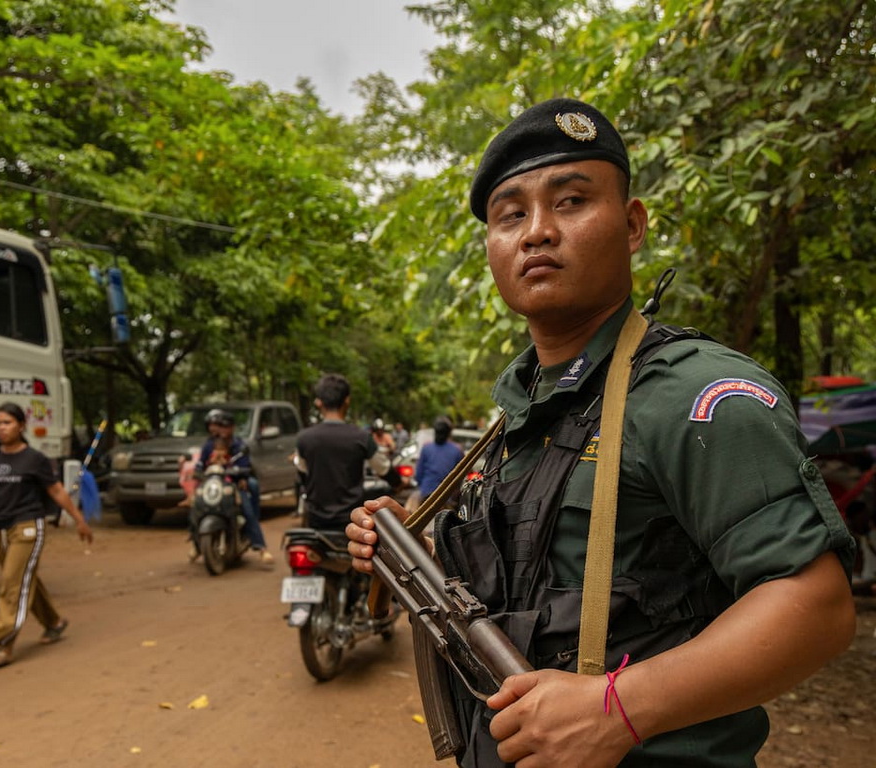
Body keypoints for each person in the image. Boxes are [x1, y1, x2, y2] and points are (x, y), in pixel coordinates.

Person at [346, 98, 856, 767]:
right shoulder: (518, 414)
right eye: (510, 215)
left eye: (571, 200)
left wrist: (621, 707)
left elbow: (816, 607)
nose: (536, 232)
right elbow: (529, 591)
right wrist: (408, 549)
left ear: (633, 223)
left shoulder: (693, 395)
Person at [0, 402, 94, 669]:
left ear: (21, 426)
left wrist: (79, 520)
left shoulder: (34, 459)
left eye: (8, 423)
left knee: (11, 583)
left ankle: (3, 643)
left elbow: (57, 491)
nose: (2, 428)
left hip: (27, 526)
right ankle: (54, 622)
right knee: (24, 578)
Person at [294, 374, 398, 531]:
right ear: (347, 401)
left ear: (319, 402)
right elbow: (384, 469)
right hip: (353, 520)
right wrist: (399, 483)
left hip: (317, 520)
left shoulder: (304, 439)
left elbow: (302, 474)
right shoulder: (362, 437)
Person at [187, 408, 273, 564]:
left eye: (226, 426)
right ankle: (195, 543)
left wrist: (242, 476)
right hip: (213, 485)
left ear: (232, 427)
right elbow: (200, 465)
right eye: (220, 426)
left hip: (233, 484)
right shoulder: (209, 445)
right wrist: (197, 472)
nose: (222, 430)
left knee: (247, 507)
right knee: (196, 506)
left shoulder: (239, 445)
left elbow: (245, 465)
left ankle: (261, 548)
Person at [413, 415, 465, 504]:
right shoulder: (457, 450)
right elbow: (460, 476)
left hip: (427, 494)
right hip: (447, 497)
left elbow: (418, 475)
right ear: (449, 433)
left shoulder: (427, 448)